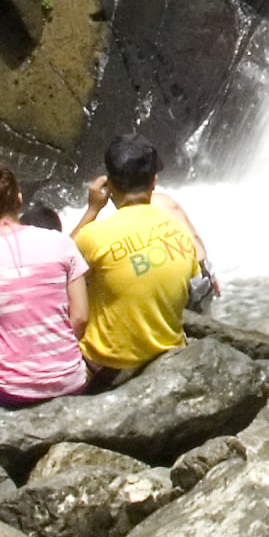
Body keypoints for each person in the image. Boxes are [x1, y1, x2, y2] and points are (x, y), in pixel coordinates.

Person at [0, 164, 87, 417]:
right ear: (19, 200)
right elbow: (80, 317)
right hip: (70, 380)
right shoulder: (62, 242)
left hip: (7, 389)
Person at [73, 135, 201, 382]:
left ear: (108, 185)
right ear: (154, 182)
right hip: (166, 352)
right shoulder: (179, 230)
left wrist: (92, 210)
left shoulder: (93, 236)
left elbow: (51, 268)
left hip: (107, 365)